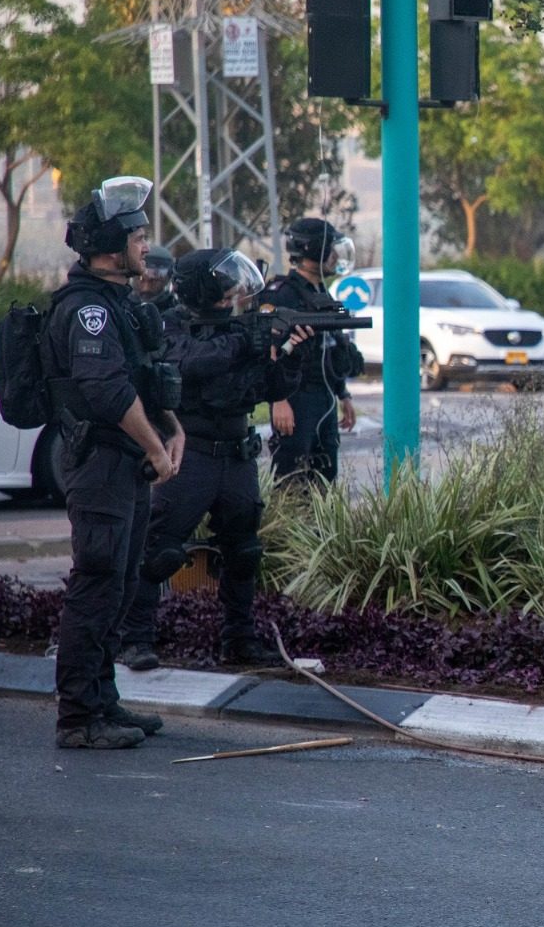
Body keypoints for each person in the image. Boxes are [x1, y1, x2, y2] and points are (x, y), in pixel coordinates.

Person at [116, 249, 312, 671]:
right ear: (204, 289)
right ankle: (135, 639)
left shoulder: (240, 329)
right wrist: (246, 338)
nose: (231, 294)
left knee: (243, 551)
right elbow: (194, 363)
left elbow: (265, 385)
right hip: (193, 454)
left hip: (236, 454)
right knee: (160, 551)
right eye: (224, 287)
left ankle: (239, 639)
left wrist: (290, 354)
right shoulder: (168, 324)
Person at [43, 176, 184, 749]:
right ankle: (78, 718)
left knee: (121, 584)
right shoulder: (87, 312)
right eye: (140, 237)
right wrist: (154, 446)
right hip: (99, 463)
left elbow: (146, 381)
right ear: (110, 248)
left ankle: (105, 700)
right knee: (98, 584)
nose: (147, 247)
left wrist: (173, 431)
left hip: (125, 466)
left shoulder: (117, 304)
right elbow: (104, 391)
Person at [260, 218, 362, 487]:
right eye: (329, 250)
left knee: (325, 480)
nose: (334, 257)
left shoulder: (323, 294)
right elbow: (268, 352)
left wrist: (343, 394)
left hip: (324, 399)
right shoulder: (280, 294)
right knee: (290, 479)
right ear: (313, 251)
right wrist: (278, 400)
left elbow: (331, 349)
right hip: (296, 398)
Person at [133, 244, 176, 309]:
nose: (146, 288)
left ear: (167, 280)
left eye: (154, 281)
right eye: (141, 280)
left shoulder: (175, 312)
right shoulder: (121, 308)